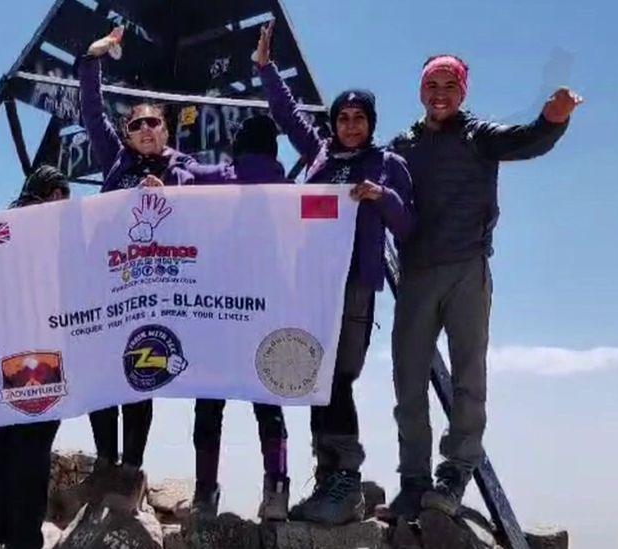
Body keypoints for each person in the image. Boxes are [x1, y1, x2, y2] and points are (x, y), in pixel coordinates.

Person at [385, 54, 582, 519]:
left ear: (463, 91)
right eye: (431, 83)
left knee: (468, 376)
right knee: (408, 380)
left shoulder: (478, 135)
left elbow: (527, 141)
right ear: (420, 90)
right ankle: (413, 480)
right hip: (416, 272)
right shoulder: (402, 146)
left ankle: (454, 472)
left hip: (467, 269)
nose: (439, 93)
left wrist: (552, 122)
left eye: (449, 84)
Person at [254, 22, 414, 524]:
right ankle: (326, 477)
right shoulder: (320, 154)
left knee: (340, 376)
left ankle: (346, 475)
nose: (348, 125)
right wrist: (265, 68)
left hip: (354, 286)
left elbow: (406, 223)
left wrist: (380, 196)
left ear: (370, 122)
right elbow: (286, 114)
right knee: (314, 376)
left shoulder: (386, 162)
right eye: (342, 118)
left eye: (357, 118)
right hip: (311, 285)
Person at [78, 27, 197, 492]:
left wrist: (173, 194)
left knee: (141, 369)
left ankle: (131, 467)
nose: (145, 130)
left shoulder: (183, 167)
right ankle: (104, 461)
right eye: (136, 124)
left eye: (154, 123)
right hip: (108, 284)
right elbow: (91, 110)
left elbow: (219, 192)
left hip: (157, 290)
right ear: (126, 134)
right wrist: (92, 59)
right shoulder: (114, 160)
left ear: (166, 130)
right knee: (101, 372)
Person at [183, 115, 292, 520]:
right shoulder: (289, 191)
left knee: (208, 404)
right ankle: (276, 490)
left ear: (236, 146)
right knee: (268, 403)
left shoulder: (217, 182)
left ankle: (204, 494)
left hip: (217, 312)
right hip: (267, 311)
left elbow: (184, 175)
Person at [0, 165, 70, 549]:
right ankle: (17, 535)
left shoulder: (51, 235)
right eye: (53, 197)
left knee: (16, 441)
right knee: (23, 446)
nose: (57, 207)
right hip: (25, 353)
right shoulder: (15, 228)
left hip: (31, 353)